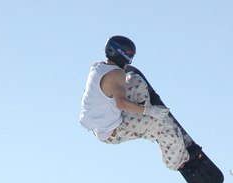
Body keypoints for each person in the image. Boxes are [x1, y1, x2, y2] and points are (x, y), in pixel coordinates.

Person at [79, 36, 190, 170]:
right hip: (113, 131)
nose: (129, 61)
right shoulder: (117, 74)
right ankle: (178, 162)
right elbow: (121, 104)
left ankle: (142, 109)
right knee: (164, 126)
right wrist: (150, 112)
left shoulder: (99, 68)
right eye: (130, 56)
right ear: (122, 54)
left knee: (134, 80)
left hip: (102, 123)